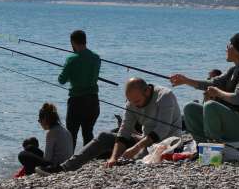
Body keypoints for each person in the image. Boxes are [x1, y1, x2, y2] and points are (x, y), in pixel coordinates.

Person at [40, 78, 181, 174]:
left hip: (167, 144)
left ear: (147, 91)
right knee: (104, 136)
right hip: (145, 142)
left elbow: (162, 131)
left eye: (137, 101)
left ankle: (134, 155)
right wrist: (113, 157)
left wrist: (135, 148)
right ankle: (64, 167)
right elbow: (124, 131)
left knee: (136, 151)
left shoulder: (165, 96)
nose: (135, 105)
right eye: (131, 102)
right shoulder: (131, 103)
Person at [171, 32, 239, 146]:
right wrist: (186, 80)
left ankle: (213, 148)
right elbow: (213, 83)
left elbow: (238, 98)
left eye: (230, 45)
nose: (226, 48)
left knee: (210, 106)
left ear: (238, 50)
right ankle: (202, 147)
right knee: (190, 108)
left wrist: (217, 93)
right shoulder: (233, 70)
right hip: (231, 124)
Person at [58, 30, 101, 148]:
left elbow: (61, 80)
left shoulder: (71, 59)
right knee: (88, 132)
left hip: (77, 102)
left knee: (71, 135)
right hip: (93, 101)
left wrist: (68, 69)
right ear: (85, 41)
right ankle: (87, 160)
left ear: (72, 42)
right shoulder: (96, 58)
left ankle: (70, 162)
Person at [18, 103, 73, 175]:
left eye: (39, 120)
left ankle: (30, 173)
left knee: (22, 155)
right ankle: (29, 171)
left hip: (57, 167)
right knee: (30, 148)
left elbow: (47, 159)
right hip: (67, 164)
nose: (40, 123)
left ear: (44, 119)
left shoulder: (51, 133)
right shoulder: (65, 130)